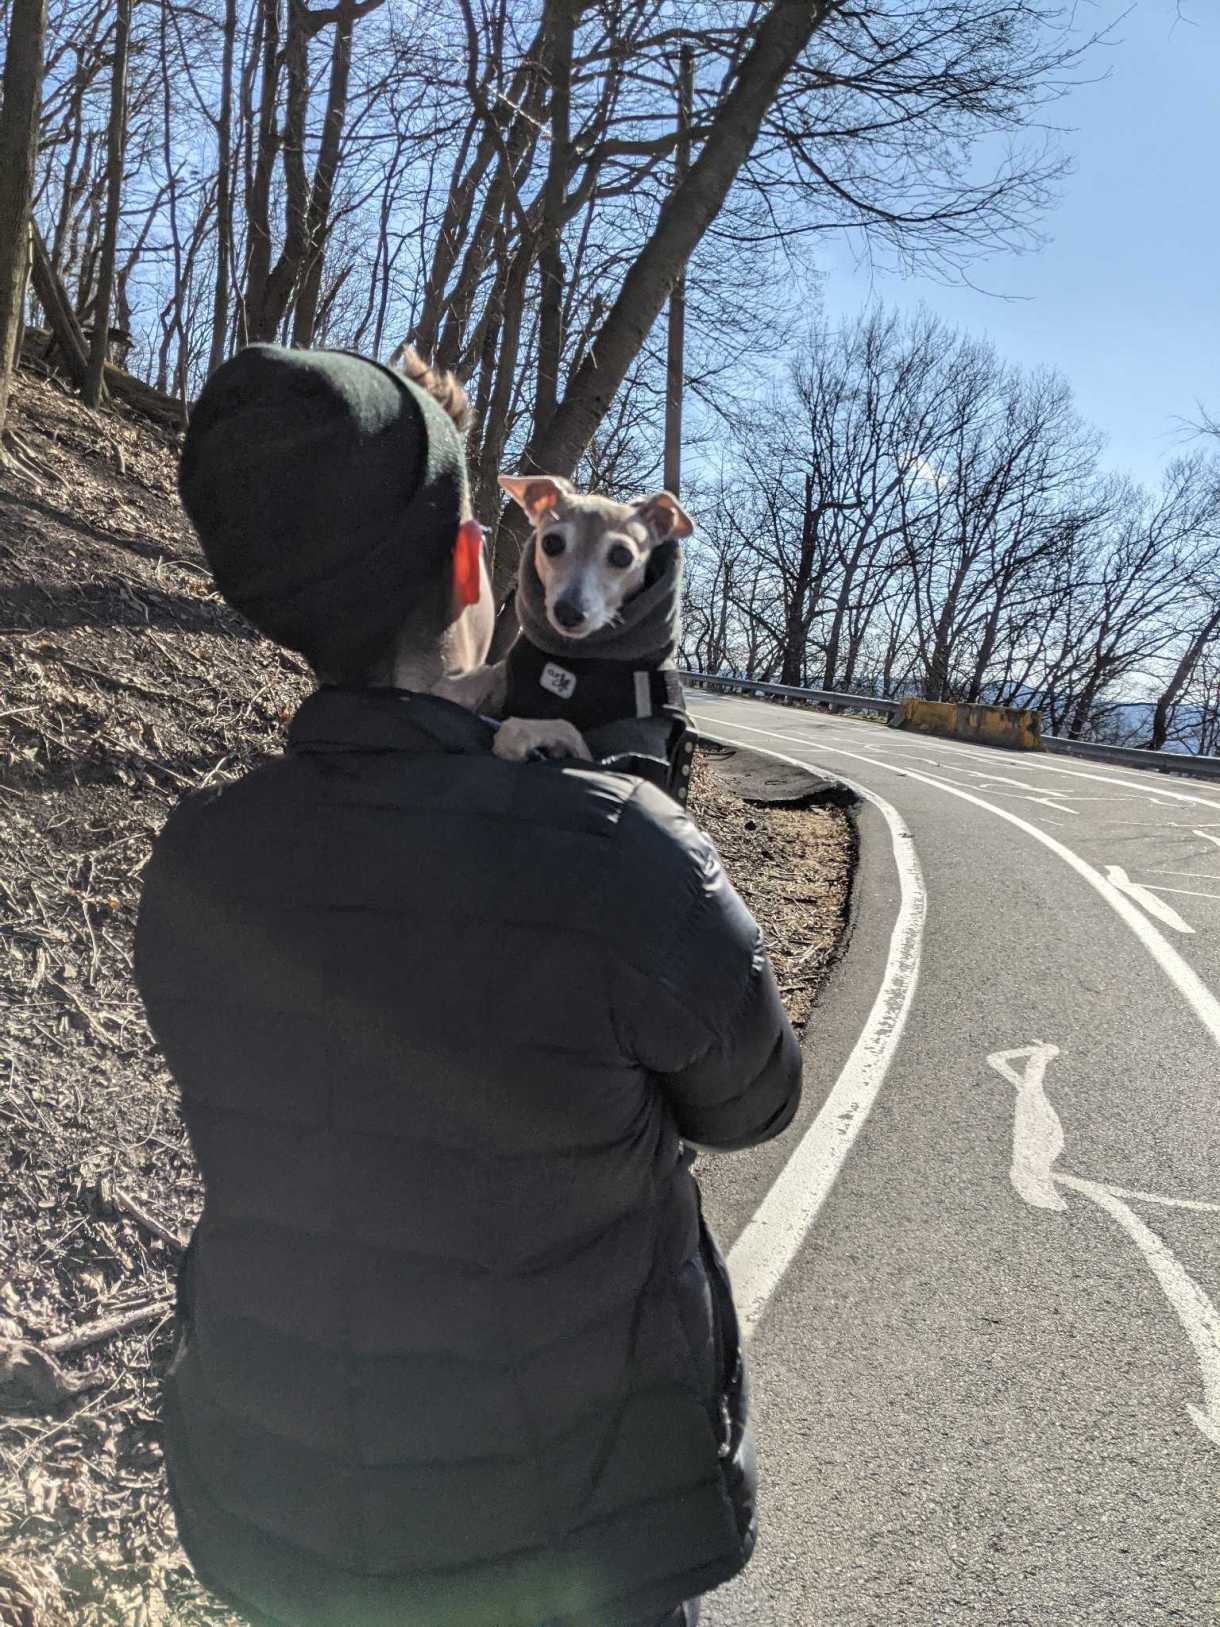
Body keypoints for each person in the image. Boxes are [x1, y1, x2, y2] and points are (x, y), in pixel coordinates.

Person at [134, 345, 803, 1627]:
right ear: (470, 570)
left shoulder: (198, 863)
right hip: (579, 1535)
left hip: (281, 1520)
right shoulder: (619, 848)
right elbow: (753, 1100)